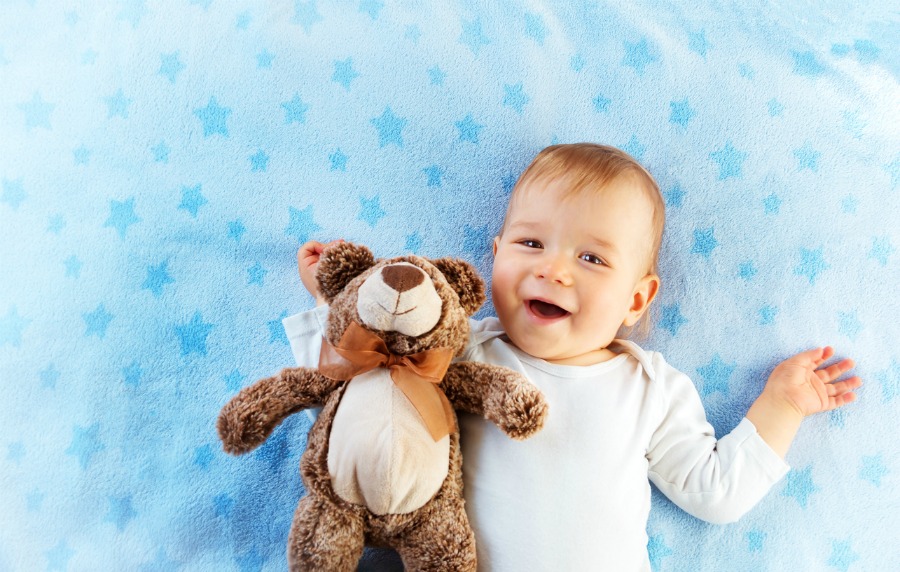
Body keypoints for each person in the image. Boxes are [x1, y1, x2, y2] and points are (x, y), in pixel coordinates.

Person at [285, 143, 861, 570]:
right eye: (530, 243)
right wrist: (329, 305)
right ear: (495, 256)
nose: (553, 269)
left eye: (592, 259)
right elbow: (359, 418)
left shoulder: (649, 387)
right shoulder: (458, 352)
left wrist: (782, 407)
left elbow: (714, 490)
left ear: (636, 298)